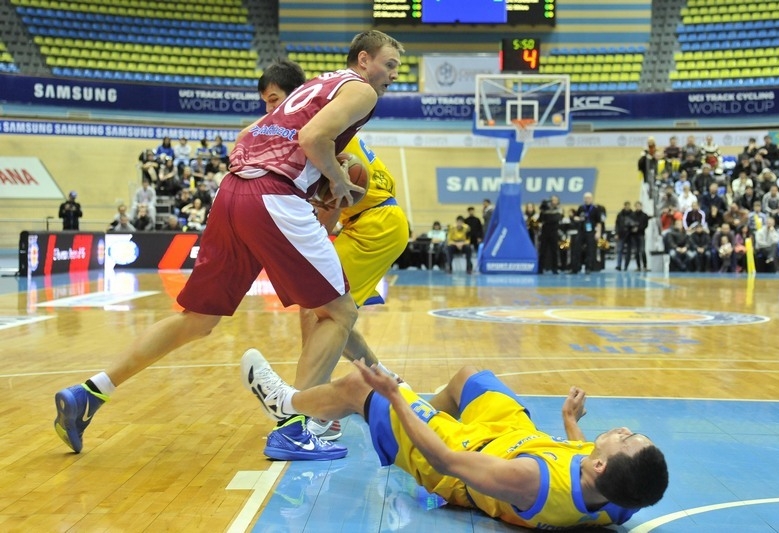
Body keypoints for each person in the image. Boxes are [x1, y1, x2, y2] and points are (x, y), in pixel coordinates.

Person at [53, 30, 404, 460]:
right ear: (364, 60)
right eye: (389, 65)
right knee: (339, 312)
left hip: (232, 192)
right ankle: (295, 426)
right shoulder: (360, 90)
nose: (393, 75)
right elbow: (313, 139)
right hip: (273, 197)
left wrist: (311, 170)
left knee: (198, 319)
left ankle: (90, 392)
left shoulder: (314, 85)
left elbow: (243, 138)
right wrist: (335, 178)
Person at [242, 350, 669, 529]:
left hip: (461, 456)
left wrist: (397, 399)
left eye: (627, 438)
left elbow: (445, 460)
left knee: (361, 385)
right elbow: (584, 467)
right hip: (516, 437)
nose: (623, 431)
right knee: (469, 376)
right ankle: (397, 417)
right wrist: (570, 422)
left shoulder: (530, 481)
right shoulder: (623, 500)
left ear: (602, 464)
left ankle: (287, 405)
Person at [249, 58, 409, 441]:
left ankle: (315, 410)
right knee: (334, 312)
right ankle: (384, 384)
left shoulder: (320, 129)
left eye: (274, 100)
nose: (270, 110)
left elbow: (337, 199)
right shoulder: (323, 120)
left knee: (319, 304)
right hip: (373, 221)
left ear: (296, 96)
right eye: (266, 102)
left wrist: (310, 243)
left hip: (375, 223)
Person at [570, 192, 603, 274]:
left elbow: (599, 222)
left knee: (590, 250)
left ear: (592, 199)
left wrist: (598, 232)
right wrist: (577, 218)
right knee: (577, 249)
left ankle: (588, 267)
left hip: (591, 231)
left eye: (589, 198)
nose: (587, 200)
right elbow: (576, 217)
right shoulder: (581, 208)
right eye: (586, 198)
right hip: (581, 231)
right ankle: (576, 268)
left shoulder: (595, 209)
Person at [537, 195, 562, 274]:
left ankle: (555, 268)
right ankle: (540, 268)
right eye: (552, 200)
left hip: (554, 232)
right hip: (545, 232)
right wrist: (543, 209)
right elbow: (540, 219)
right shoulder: (545, 209)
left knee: (554, 251)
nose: (553, 202)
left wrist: (547, 215)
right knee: (542, 250)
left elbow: (556, 218)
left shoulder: (559, 209)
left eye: (555, 200)